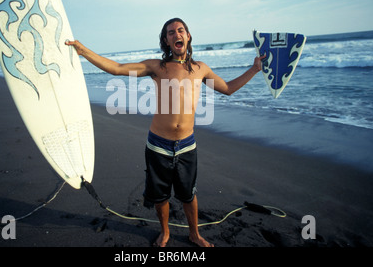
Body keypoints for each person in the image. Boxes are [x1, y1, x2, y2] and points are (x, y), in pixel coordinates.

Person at [66, 18, 264, 247]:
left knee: (188, 195)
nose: (176, 34)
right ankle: (165, 232)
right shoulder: (157, 67)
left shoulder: (201, 69)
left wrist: (255, 69)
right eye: (170, 32)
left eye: (180, 30)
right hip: (158, 145)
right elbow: (117, 69)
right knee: (160, 196)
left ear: (188, 36)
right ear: (166, 40)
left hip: (187, 145)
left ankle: (194, 234)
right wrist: (83, 51)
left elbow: (228, 89)